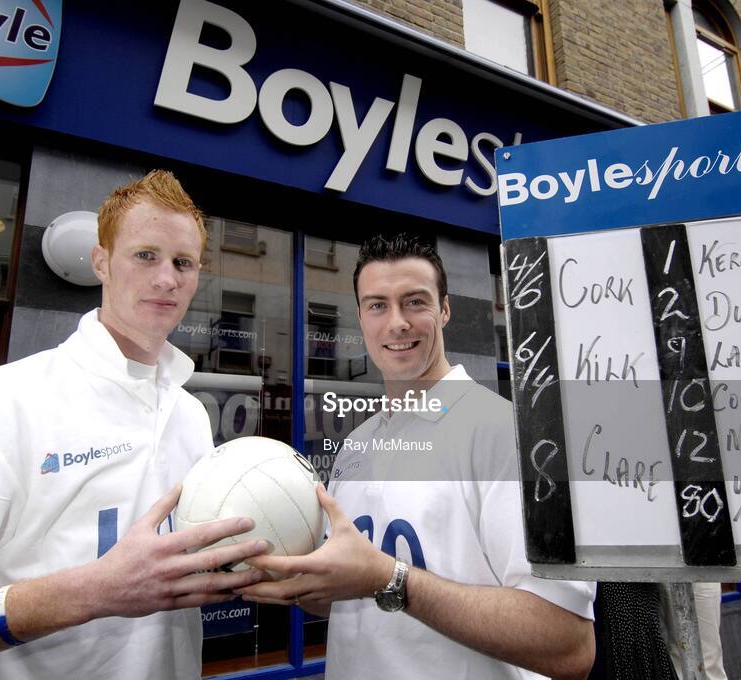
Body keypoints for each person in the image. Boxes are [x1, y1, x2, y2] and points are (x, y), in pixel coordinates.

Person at [0, 170, 268, 678]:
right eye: (145, 255)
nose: (166, 278)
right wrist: (92, 592)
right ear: (101, 263)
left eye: (184, 262)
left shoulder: (190, 414)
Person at [239, 233, 596, 679]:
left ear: (444, 310)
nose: (397, 323)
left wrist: (389, 579)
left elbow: (567, 642)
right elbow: (346, 599)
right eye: (377, 305)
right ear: (361, 318)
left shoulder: (511, 436)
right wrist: (292, 581)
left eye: (415, 302)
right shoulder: (358, 444)